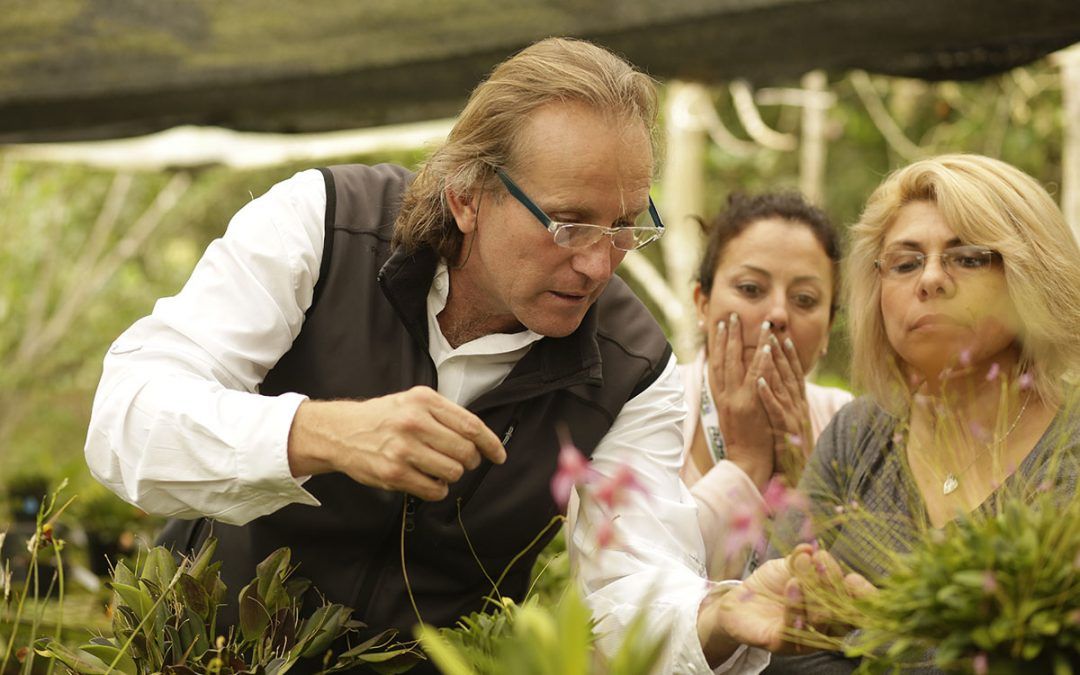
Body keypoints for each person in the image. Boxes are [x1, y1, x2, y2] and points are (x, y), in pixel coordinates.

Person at [84, 37, 862, 673]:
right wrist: (319, 433)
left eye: (626, 225)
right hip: (198, 653)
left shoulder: (635, 369)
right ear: (467, 195)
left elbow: (634, 581)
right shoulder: (319, 226)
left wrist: (720, 613)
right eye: (567, 223)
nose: (599, 262)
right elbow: (126, 421)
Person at [766, 154, 1080, 674]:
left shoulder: (1067, 452)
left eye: (969, 257)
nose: (931, 279)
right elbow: (771, 624)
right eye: (906, 263)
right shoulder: (858, 433)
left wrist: (866, 628)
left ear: (1031, 274)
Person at [679, 193, 852, 580]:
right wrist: (745, 463)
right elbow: (633, 584)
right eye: (751, 289)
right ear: (702, 304)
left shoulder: (848, 424)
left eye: (804, 299)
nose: (777, 314)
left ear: (827, 329)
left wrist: (806, 480)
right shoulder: (650, 404)